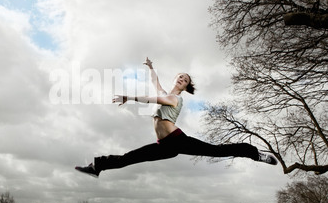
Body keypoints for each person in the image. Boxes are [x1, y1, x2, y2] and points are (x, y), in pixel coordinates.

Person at [75, 57, 278, 178]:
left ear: (185, 86)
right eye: (180, 76)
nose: (182, 79)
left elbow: (152, 97)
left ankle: (255, 154)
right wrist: (151, 67)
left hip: (177, 140)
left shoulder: (174, 99)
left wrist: (129, 97)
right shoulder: (167, 93)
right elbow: (156, 85)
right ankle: (97, 167)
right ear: (176, 79)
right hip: (164, 145)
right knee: (131, 157)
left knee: (217, 151)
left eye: (186, 80)